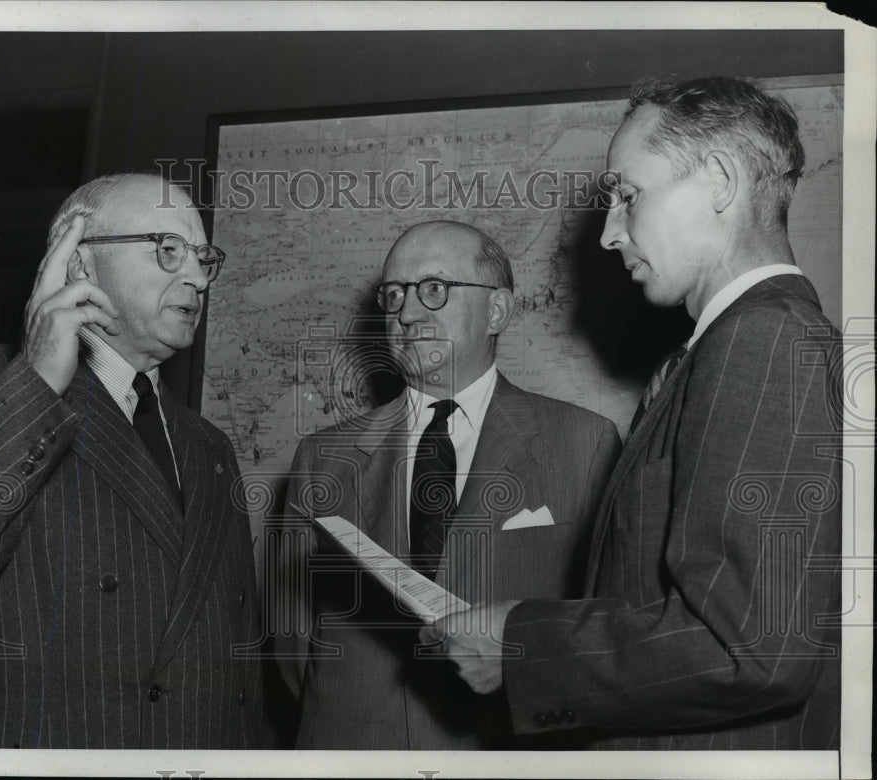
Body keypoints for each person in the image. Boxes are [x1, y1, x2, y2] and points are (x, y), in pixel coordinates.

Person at [428, 76, 843, 749]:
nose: (609, 233)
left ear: (717, 181)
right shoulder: (736, 347)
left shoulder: (763, 342)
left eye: (628, 195)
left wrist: (523, 644)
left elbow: (748, 647)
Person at [0, 173, 262, 749]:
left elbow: (238, 671)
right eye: (168, 249)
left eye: (203, 258)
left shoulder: (211, 446)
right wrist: (39, 381)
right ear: (79, 263)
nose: (197, 278)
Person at [271, 220, 622, 749]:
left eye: (434, 289)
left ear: (497, 311)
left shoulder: (584, 443)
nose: (407, 313)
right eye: (394, 295)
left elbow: (600, 630)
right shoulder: (321, 459)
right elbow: (293, 646)